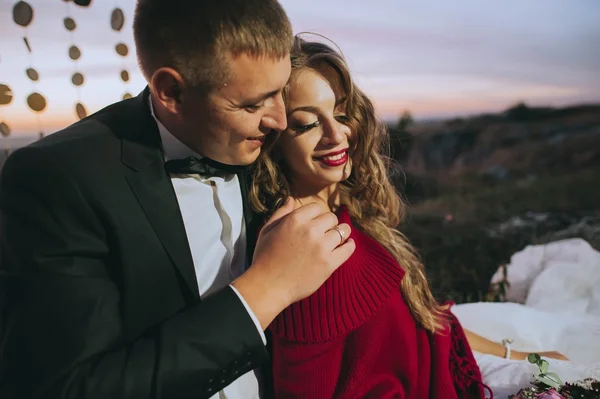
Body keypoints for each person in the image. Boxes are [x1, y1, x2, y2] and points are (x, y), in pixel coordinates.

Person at [0, 2, 355, 398]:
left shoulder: (268, 151)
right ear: (171, 91)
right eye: (253, 104)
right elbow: (73, 388)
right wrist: (267, 289)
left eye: (280, 94)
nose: (279, 121)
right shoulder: (59, 179)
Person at [249, 36, 491, 399]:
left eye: (341, 115)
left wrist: (512, 353)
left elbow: (420, 321)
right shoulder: (304, 250)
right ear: (275, 141)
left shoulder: (340, 211)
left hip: (453, 369)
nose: (336, 135)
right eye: (306, 124)